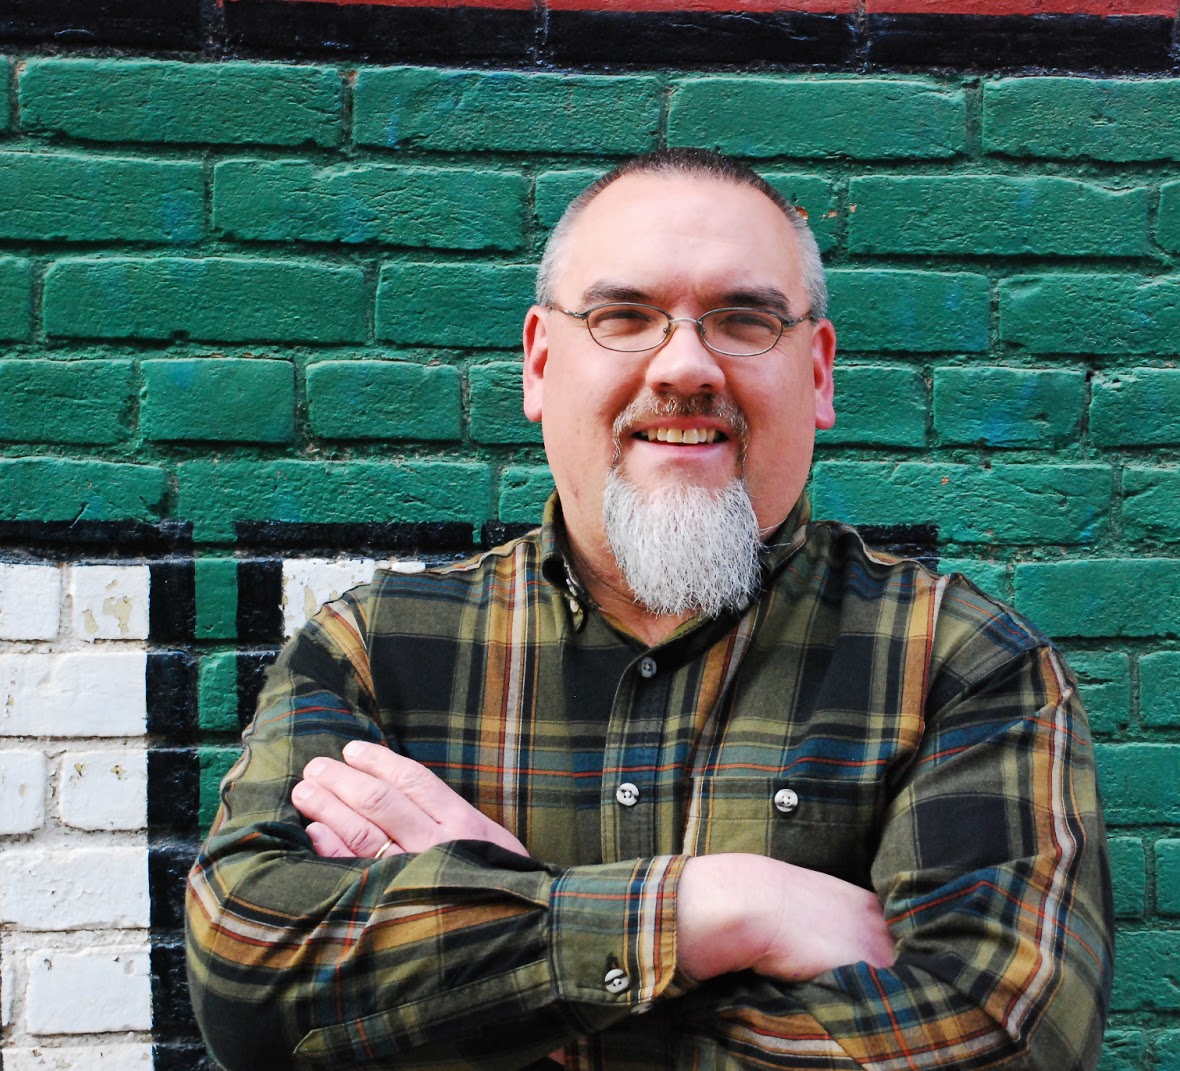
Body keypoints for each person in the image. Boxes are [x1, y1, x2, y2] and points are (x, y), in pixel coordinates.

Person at [185, 148, 1113, 1070]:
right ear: (540, 363)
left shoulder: (961, 665)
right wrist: (724, 908)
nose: (686, 366)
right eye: (623, 316)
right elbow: (248, 983)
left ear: (819, 373)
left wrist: (510, 941)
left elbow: (1000, 1040)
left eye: (744, 320)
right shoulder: (378, 650)